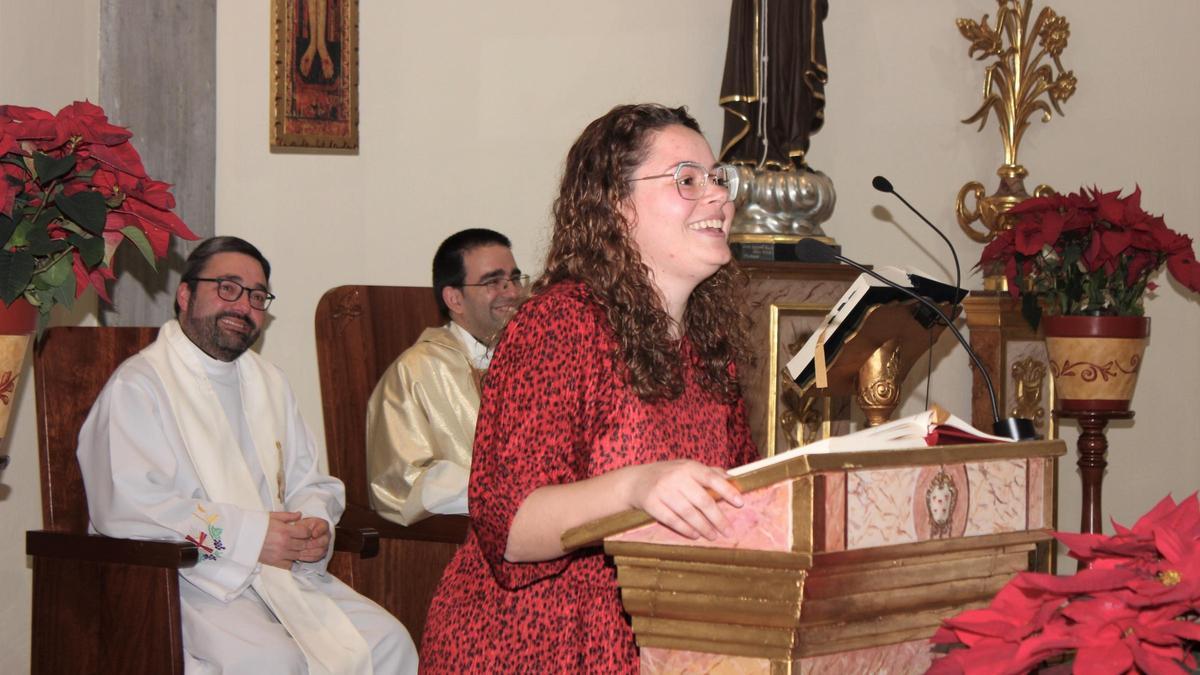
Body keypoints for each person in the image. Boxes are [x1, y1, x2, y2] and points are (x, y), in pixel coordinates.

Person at [419, 104, 759, 672]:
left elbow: (736, 500)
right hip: (536, 640)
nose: (718, 197)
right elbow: (511, 528)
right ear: (616, 205)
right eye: (687, 180)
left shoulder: (708, 349)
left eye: (718, 178)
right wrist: (635, 487)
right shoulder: (560, 323)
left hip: (660, 633)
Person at [77, 236, 418, 674]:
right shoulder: (140, 385)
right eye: (227, 288)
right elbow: (128, 506)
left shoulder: (268, 382)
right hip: (183, 580)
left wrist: (313, 526)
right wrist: (250, 539)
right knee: (271, 662)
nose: (243, 306)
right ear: (185, 294)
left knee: (389, 642)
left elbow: (308, 481)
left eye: (257, 297)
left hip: (281, 577)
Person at [366, 228, 525, 525]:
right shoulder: (414, 372)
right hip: (460, 537)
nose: (513, 292)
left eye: (515, 279)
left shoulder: (538, 360)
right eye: (493, 282)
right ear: (454, 299)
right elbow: (402, 481)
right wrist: (503, 493)